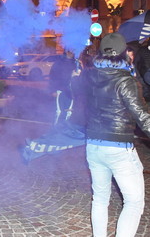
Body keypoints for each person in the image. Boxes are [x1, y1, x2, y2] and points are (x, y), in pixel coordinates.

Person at [83, 33, 150, 237]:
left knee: (100, 199)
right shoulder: (125, 80)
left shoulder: (90, 76)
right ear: (124, 53)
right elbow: (142, 116)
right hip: (118, 148)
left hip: (93, 146)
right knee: (134, 201)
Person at [48, 50, 77, 126]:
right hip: (59, 90)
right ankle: (55, 128)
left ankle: (65, 128)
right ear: (66, 52)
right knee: (58, 111)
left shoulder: (75, 63)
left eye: (72, 51)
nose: (71, 53)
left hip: (71, 92)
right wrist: (52, 90)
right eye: (69, 51)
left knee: (68, 111)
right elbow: (52, 76)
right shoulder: (58, 63)